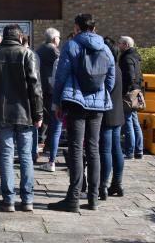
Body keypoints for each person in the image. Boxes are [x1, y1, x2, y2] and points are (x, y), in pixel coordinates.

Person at [48, 14, 115, 212]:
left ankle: (73, 199)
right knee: (93, 149)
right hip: (98, 104)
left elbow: (61, 76)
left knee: (76, 149)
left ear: (77, 27)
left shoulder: (71, 45)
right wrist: (102, 93)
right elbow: (111, 76)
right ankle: (93, 199)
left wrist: (58, 102)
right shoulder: (105, 47)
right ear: (94, 28)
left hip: (76, 101)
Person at [0, 24, 43, 212]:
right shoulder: (27, 54)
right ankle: (27, 199)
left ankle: (8, 199)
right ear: (20, 36)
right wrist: (38, 113)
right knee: (26, 156)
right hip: (24, 111)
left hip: (1, 111)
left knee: (7, 156)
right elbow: (35, 87)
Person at [99, 37, 125, 200]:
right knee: (117, 150)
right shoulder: (118, 68)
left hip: (107, 115)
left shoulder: (107, 69)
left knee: (106, 151)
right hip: (118, 114)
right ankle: (117, 183)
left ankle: (103, 186)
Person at [36, 28, 61, 172]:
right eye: (58, 38)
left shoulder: (40, 49)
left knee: (46, 116)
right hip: (51, 89)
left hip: (42, 87)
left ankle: (43, 141)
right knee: (54, 121)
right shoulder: (53, 51)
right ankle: (49, 146)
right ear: (53, 39)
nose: (59, 40)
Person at [118, 36, 144, 160]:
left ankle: (129, 152)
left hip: (129, 92)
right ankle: (139, 151)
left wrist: (124, 91)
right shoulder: (135, 57)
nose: (118, 45)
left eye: (120, 43)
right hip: (137, 90)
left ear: (126, 45)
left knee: (128, 122)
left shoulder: (127, 58)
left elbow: (129, 76)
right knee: (134, 122)